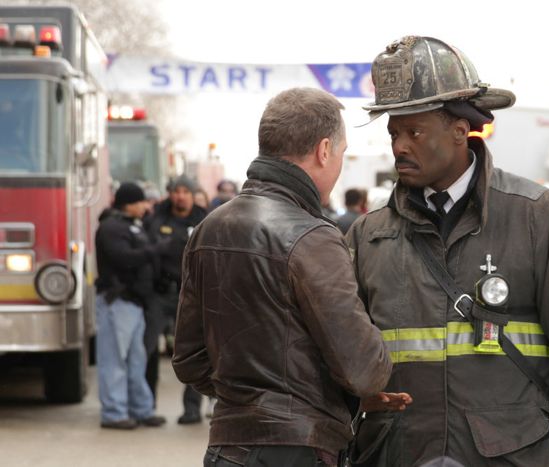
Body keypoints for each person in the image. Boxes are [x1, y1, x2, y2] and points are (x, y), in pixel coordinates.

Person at [345, 36, 549, 467]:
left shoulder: (540, 217)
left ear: (460, 131)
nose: (399, 146)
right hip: (400, 454)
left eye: (414, 131)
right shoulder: (369, 236)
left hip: (513, 456)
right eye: (394, 133)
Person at [172, 87, 392, 467]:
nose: (338, 165)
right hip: (299, 450)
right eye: (340, 154)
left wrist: (248, 399)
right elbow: (364, 371)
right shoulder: (313, 237)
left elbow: (189, 360)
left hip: (227, 449)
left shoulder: (210, 227)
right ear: (324, 151)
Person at [94, 182, 167, 430]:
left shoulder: (132, 225)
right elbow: (123, 258)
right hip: (117, 301)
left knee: (137, 360)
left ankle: (140, 409)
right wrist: (154, 250)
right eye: (140, 202)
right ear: (129, 203)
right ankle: (114, 413)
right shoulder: (112, 227)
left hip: (135, 302)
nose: (145, 206)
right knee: (114, 359)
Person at [144, 175, 208, 423]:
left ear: (193, 194)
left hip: (190, 295)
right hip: (159, 294)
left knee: (192, 351)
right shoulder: (156, 218)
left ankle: (192, 408)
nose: (180, 195)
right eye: (176, 191)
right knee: (148, 349)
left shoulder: (204, 219)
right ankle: (147, 405)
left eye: (185, 191)